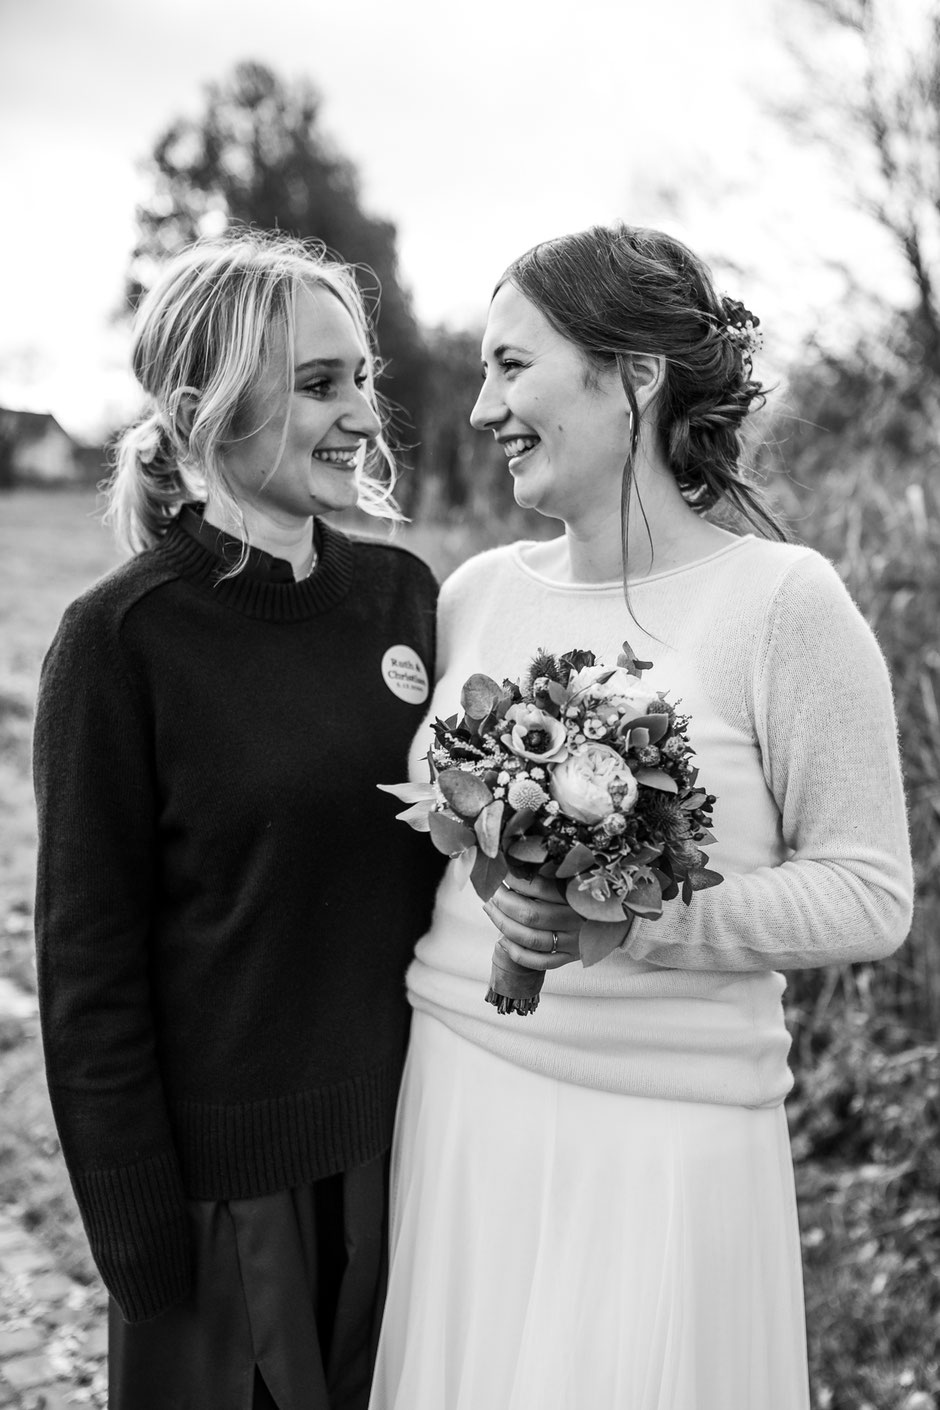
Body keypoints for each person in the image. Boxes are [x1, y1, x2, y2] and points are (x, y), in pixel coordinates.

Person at [368, 224, 914, 1410]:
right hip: (462, 1103)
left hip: (665, 1146)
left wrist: (635, 917)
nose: (478, 409)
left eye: (511, 367)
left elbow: (870, 894)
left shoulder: (781, 603)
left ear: (633, 375)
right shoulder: (471, 596)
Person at [32, 232, 445, 1410]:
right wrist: (140, 1237)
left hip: (407, 1168)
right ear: (196, 406)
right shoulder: (122, 642)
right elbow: (87, 971)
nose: (363, 412)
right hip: (228, 1211)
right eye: (319, 383)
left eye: (361, 376)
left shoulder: (403, 598)